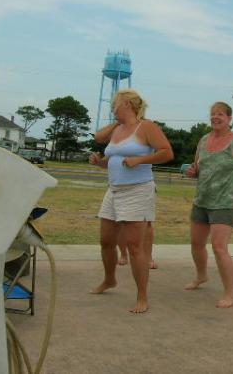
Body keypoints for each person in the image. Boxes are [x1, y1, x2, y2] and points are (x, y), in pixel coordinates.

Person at [89, 89, 173, 313]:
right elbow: (110, 154)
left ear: (126, 103)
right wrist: (100, 163)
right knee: (106, 241)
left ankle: (142, 296)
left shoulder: (146, 126)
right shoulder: (117, 129)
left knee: (135, 247)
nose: (111, 107)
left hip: (138, 191)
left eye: (114, 103)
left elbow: (167, 152)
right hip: (114, 190)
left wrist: (141, 160)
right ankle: (109, 279)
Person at [185, 101, 233, 308]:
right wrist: (192, 172)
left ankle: (229, 294)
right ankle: (201, 276)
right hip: (202, 199)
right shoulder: (203, 140)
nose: (216, 117)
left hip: (226, 202)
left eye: (220, 115)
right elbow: (197, 167)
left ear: (229, 119)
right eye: (213, 114)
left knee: (219, 247)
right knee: (196, 244)